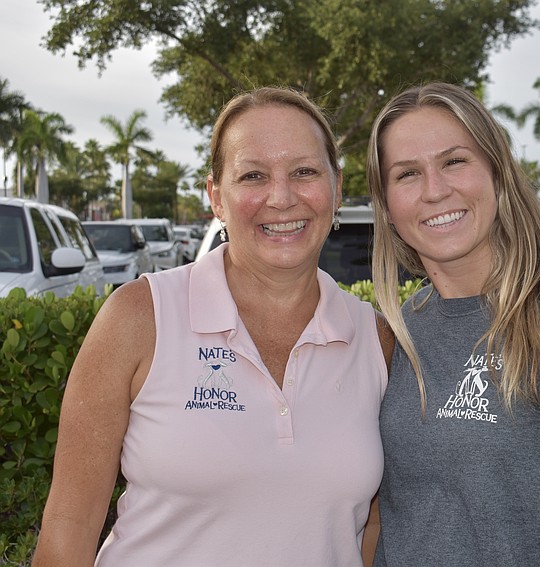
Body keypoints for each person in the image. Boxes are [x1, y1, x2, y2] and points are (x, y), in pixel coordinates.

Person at [33, 86, 393, 567]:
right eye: (253, 175)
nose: (281, 197)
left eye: (304, 172)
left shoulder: (375, 337)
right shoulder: (139, 317)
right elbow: (69, 528)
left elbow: (373, 527)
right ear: (216, 197)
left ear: (336, 187)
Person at [365, 82, 540, 566]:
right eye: (407, 174)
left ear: (497, 173)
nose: (435, 190)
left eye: (455, 161)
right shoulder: (396, 333)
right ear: (387, 206)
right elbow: (380, 519)